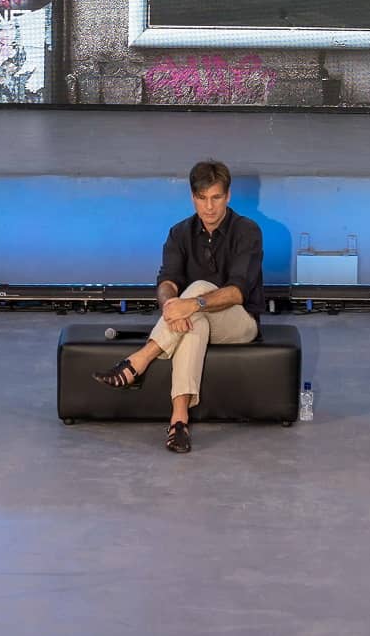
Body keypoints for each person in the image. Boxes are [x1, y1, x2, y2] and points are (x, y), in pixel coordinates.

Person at [92, 160, 263, 454]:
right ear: (192, 197)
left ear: (229, 196)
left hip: (240, 322)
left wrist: (191, 303)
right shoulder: (179, 233)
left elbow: (237, 293)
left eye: (216, 197)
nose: (209, 207)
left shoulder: (247, 230)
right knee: (194, 321)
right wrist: (170, 305)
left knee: (197, 290)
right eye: (202, 198)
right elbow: (167, 281)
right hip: (196, 319)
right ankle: (179, 422)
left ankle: (139, 360)